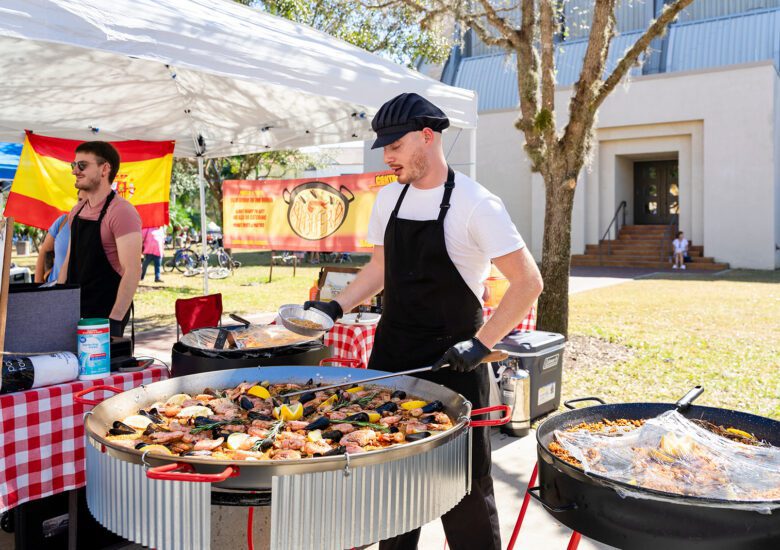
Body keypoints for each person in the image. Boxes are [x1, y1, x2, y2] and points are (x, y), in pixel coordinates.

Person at [303, 93, 543, 550]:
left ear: (428, 138)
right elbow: (380, 268)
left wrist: (481, 343)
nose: (387, 156)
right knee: (391, 486)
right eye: (385, 147)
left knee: (465, 492)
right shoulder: (388, 198)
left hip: (456, 365)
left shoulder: (477, 204)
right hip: (393, 358)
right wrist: (336, 306)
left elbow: (528, 282)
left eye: (395, 145)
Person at [58, 141, 142, 337]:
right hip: (74, 312)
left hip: (103, 318)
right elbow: (68, 261)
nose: (74, 171)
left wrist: (114, 322)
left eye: (82, 165)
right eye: (74, 165)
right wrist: (59, 306)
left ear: (105, 169)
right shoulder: (77, 210)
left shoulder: (122, 211)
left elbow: (132, 270)